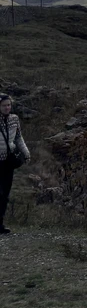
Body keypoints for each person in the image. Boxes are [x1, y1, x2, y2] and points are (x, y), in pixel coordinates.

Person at [0, 93, 30, 235]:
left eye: (9, 105)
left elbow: (18, 137)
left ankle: (0, 224)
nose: (7, 108)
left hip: (8, 161)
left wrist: (26, 152)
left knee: (5, 193)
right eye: (4, 105)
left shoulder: (14, 119)